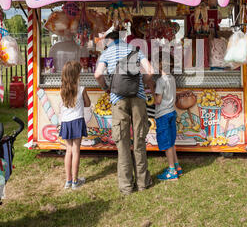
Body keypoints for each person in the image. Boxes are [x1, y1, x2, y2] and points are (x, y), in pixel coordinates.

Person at [94, 30, 155, 195]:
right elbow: (150, 71)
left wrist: (106, 88)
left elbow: (98, 74)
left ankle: (126, 186)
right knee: (139, 140)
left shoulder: (107, 53)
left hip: (118, 99)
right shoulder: (134, 50)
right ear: (122, 39)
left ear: (109, 41)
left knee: (122, 143)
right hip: (138, 98)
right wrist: (142, 83)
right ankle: (143, 183)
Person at [59, 61, 91, 190]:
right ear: (76, 75)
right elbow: (88, 104)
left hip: (66, 122)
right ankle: (75, 181)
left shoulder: (62, 89)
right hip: (77, 120)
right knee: (76, 150)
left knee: (68, 150)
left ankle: (68, 180)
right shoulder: (81, 88)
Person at [155, 52, 182, 181]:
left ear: (159, 66)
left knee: (166, 144)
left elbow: (158, 100)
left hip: (163, 114)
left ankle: (171, 171)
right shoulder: (172, 78)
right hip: (171, 112)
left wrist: (152, 93)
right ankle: (177, 166)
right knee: (171, 142)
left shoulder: (160, 81)